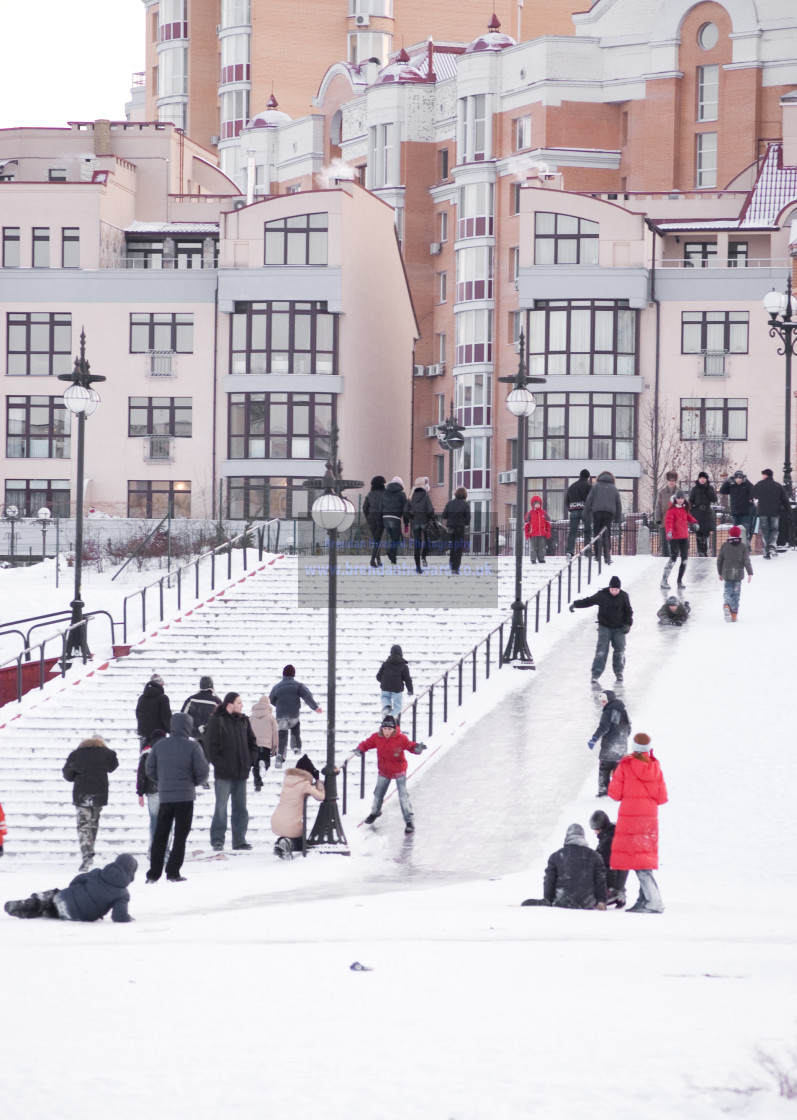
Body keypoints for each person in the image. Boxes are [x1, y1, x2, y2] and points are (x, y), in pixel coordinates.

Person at [608, 732, 668, 914]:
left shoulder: (625, 765)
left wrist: (613, 777)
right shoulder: (655, 767)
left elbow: (614, 794)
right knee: (643, 859)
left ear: (633, 747)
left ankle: (654, 902)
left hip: (630, 818)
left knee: (640, 864)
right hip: (648, 819)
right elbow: (662, 797)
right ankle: (644, 899)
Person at [146, 712, 209, 882]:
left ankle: (153, 873)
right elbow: (203, 772)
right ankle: (173, 872)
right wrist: (192, 783)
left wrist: (163, 781)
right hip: (185, 797)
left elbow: (150, 769)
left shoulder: (160, 745)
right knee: (180, 836)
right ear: (188, 726)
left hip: (165, 797)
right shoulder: (193, 747)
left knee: (161, 835)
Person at [344, 715, 426, 834]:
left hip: (399, 770)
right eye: (385, 729)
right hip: (384, 770)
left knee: (403, 796)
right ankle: (375, 812)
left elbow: (410, 746)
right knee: (378, 793)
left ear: (394, 729)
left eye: (389, 729)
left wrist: (417, 748)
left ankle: (409, 821)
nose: (387, 731)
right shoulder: (377, 737)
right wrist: (360, 749)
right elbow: (366, 744)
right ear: (382, 728)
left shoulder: (401, 738)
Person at [4, 854, 137, 922]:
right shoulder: (122, 894)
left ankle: (35, 902)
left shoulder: (98, 873)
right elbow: (119, 917)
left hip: (65, 897)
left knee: (54, 896)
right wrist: (128, 918)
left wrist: (74, 893)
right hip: (79, 915)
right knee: (57, 912)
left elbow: (77, 880)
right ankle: (37, 912)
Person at [205, 692, 258, 852]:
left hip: (241, 772)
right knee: (221, 808)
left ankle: (239, 840)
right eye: (239, 702)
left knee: (241, 808)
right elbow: (210, 749)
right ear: (230, 704)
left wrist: (250, 761)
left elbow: (252, 743)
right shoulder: (216, 721)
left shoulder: (244, 721)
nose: (242, 705)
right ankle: (217, 840)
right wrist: (222, 765)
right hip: (224, 774)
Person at [62, 734, 119, 872]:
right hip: (99, 792)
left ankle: (87, 854)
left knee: (83, 825)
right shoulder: (107, 753)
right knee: (93, 823)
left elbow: (68, 775)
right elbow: (113, 766)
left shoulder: (76, 754)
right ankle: (90, 848)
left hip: (82, 792)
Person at [521, 824, 607, 909]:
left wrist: (548, 899)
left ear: (567, 836)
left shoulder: (556, 856)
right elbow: (600, 880)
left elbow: (549, 880)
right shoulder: (595, 856)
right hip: (587, 904)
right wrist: (601, 901)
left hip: (562, 903)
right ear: (582, 837)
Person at [570, 574, 633, 685]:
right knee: (601, 651)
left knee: (620, 651)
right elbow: (589, 601)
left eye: (617, 589)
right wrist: (576, 604)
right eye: (612, 589)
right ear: (609, 588)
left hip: (619, 628)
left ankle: (619, 672)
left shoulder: (624, 596)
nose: (614, 591)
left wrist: (628, 624)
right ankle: (595, 674)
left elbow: (629, 612)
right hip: (604, 627)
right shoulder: (602, 595)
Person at [270, 754, 326, 859]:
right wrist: (318, 781)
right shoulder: (304, 784)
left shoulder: (287, 781)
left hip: (276, 822)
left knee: (288, 832)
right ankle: (288, 843)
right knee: (303, 842)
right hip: (292, 825)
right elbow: (321, 797)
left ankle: (280, 843)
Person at [269, 665, 322, 767]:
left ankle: (280, 755)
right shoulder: (298, 685)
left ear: (283, 674)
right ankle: (296, 747)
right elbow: (307, 696)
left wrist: (279, 705)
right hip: (293, 714)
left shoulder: (276, 687)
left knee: (282, 735)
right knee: (295, 728)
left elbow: (271, 699)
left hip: (281, 716)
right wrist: (315, 707)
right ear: (293, 674)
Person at [588, 688, 630, 797]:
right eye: (601, 702)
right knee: (617, 772)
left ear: (609, 700)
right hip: (621, 749)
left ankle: (603, 791)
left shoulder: (607, 712)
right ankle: (618, 792)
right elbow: (628, 728)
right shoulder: (623, 711)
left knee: (604, 770)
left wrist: (594, 739)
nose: (602, 704)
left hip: (608, 748)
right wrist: (622, 740)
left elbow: (603, 727)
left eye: (604, 702)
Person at [136, 728, 168, 853]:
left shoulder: (147, 751)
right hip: (167, 790)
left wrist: (140, 793)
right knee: (167, 822)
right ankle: (165, 850)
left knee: (155, 821)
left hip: (152, 789)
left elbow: (142, 773)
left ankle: (154, 849)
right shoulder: (170, 749)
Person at [589, 809, 628, 908]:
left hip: (611, 884)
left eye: (596, 829)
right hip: (619, 881)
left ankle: (611, 892)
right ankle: (619, 892)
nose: (595, 832)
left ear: (600, 828)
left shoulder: (607, 841)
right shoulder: (614, 834)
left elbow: (602, 863)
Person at [584, 470, 623, 564]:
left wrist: (586, 513)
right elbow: (618, 504)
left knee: (597, 533)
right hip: (609, 513)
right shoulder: (614, 488)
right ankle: (607, 556)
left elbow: (589, 500)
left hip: (596, 512)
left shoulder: (595, 486)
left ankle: (597, 555)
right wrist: (618, 518)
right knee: (606, 533)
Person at [662, 490, 698, 588]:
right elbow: (668, 521)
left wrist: (694, 522)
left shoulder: (684, 509)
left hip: (684, 537)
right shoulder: (671, 510)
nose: (680, 500)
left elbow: (689, 517)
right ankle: (664, 580)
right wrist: (669, 531)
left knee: (684, 560)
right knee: (673, 559)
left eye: (682, 498)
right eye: (679, 498)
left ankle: (679, 581)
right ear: (675, 499)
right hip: (674, 537)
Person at [717, 524, 753, 622]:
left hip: (727, 573)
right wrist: (750, 572)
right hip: (738, 573)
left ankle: (727, 605)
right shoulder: (743, 546)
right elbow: (746, 560)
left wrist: (720, 573)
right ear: (739, 534)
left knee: (728, 591)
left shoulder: (724, 545)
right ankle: (734, 614)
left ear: (730, 534)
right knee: (736, 594)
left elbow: (719, 560)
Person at [751, 468, 790, 559]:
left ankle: (766, 551)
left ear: (765, 475)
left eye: (763, 475)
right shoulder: (778, 486)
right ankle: (772, 544)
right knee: (774, 529)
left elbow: (752, 494)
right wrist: (789, 511)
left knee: (765, 531)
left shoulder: (760, 484)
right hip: (775, 512)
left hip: (762, 512)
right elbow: (785, 499)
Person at [180, 675, 222, 756]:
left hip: (193, 734)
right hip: (209, 735)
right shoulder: (216, 701)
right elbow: (222, 718)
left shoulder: (191, 699)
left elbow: (182, 717)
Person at [405, 476, 436, 574]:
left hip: (415, 522)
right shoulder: (426, 496)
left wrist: (412, 517)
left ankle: (418, 567)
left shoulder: (410, 497)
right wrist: (431, 518)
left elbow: (405, 511)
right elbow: (430, 510)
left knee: (417, 545)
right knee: (427, 540)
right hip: (425, 522)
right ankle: (423, 557)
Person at [376, 644, 413, 722]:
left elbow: (378, 676)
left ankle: (386, 707)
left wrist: (383, 681)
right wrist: (410, 690)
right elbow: (407, 679)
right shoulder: (403, 666)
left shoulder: (385, 664)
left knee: (385, 698)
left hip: (385, 687)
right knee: (397, 705)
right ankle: (392, 717)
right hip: (397, 688)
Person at [250, 693, 278, 791]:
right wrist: (275, 747)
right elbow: (275, 733)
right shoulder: (271, 717)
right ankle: (264, 765)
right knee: (265, 763)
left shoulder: (251, 717)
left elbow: (247, 732)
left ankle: (258, 784)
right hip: (266, 745)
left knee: (255, 765)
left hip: (254, 745)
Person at [135, 672, 172, 747]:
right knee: (159, 756)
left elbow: (138, 714)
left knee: (145, 756)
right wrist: (171, 729)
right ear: (160, 684)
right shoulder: (163, 698)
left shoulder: (142, 698)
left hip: (144, 734)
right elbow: (166, 716)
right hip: (159, 734)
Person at [719, 470, 755, 541]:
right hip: (735, 513)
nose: (738, 480)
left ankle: (746, 547)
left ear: (742, 479)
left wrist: (746, 481)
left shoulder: (746, 485)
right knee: (736, 532)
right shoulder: (732, 486)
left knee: (745, 531)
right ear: (734, 479)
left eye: (740, 478)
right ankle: (736, 545)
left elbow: (753, 490)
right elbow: (722, 491)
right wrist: (727, 482)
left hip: (745, 513)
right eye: (737, 478)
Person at [442, 485, 470, 574]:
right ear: (465, 495)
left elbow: (444, 515)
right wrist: (466, 523)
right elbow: (468, 517)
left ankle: (451, 563)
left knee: (452, 546)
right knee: (458, 547)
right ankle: (455, 568)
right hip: (460, 527)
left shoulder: (449, 503)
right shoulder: (465, 504)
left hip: (450, 527)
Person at [688, 472, 717, 557]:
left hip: (707, 513)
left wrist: (707, 489)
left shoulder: (710, 488)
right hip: (697, 513)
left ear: (706, 479)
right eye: (701, 478)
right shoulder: (695, 489)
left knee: (706, 534)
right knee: (698, 533)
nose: (702, 480)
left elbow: (714, 499)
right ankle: (700, 551)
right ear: (698, 479)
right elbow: (691, 500)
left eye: (704, 478)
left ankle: (704, 551)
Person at [565, 469, 592, 558]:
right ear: (588, 477)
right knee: (587, 531)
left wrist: (571, 508)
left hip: (574, 510)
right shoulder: (588, 486)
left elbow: (566, 501)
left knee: (573, 531)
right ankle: (587, 552)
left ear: (580, 476)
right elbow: (591, 499)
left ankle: (570, 551)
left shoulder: (572, 486)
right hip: (585, 511)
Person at [382, 476, 408, 566]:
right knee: (396, 539)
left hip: (385, 518)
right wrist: (406, 523)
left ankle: (393, 559)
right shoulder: (402, 494)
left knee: (395, 539)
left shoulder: (384, 493)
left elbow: (380, 506)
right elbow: (406, 510)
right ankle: (390, 554)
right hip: (395, 518)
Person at [363, 474, 386, 568]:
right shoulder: (385, 493)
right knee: (377, 539)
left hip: (371, 518)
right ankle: (373, 559)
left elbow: (364, 507)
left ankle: (378, 559)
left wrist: (368, 516)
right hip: (381, 518)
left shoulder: (370, 494)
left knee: (376, 539)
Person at [654, 471, 679, 557]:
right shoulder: (662, 492)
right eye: (670, 480)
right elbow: (658, 506)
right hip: (664, 522)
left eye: (673, 480)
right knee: (664, 545)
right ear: (667, 481)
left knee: (675, 544)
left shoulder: (679, 492)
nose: (671, 482)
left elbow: (684, 507)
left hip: (676, 523)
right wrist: (657, 518)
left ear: (675, 481)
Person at [524, 495, 551, 564]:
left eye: (538, 503)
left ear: (540, 504)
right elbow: (526, 524)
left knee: (541, 547)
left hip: (542, 533)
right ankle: (533, 559)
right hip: (533, 533)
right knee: (533, 547)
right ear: (533, 504)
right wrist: (527, 533)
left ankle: (541, 558)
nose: (537, 505)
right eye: (535, 504)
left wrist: (548, 532)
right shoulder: (530, 514)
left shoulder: (544, 513)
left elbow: (548, 523)